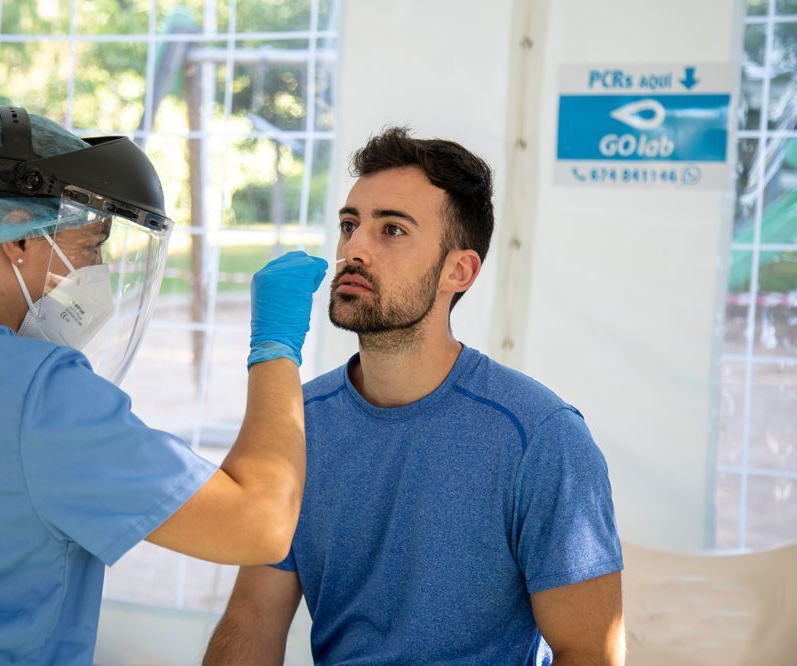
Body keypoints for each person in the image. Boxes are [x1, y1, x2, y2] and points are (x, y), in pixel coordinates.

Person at [0, 106, 327, 664]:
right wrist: (276, 346)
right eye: (90, 247)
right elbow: (260, 524)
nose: (97, 276)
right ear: (17, 235)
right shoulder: (38, 394)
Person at [204, 128, 626, 665]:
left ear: (460, 270)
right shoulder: (296, 425)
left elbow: (590, 652)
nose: (353, 249)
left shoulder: (541, 437)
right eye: (349, 225)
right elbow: (253, 617)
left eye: (392, 230)